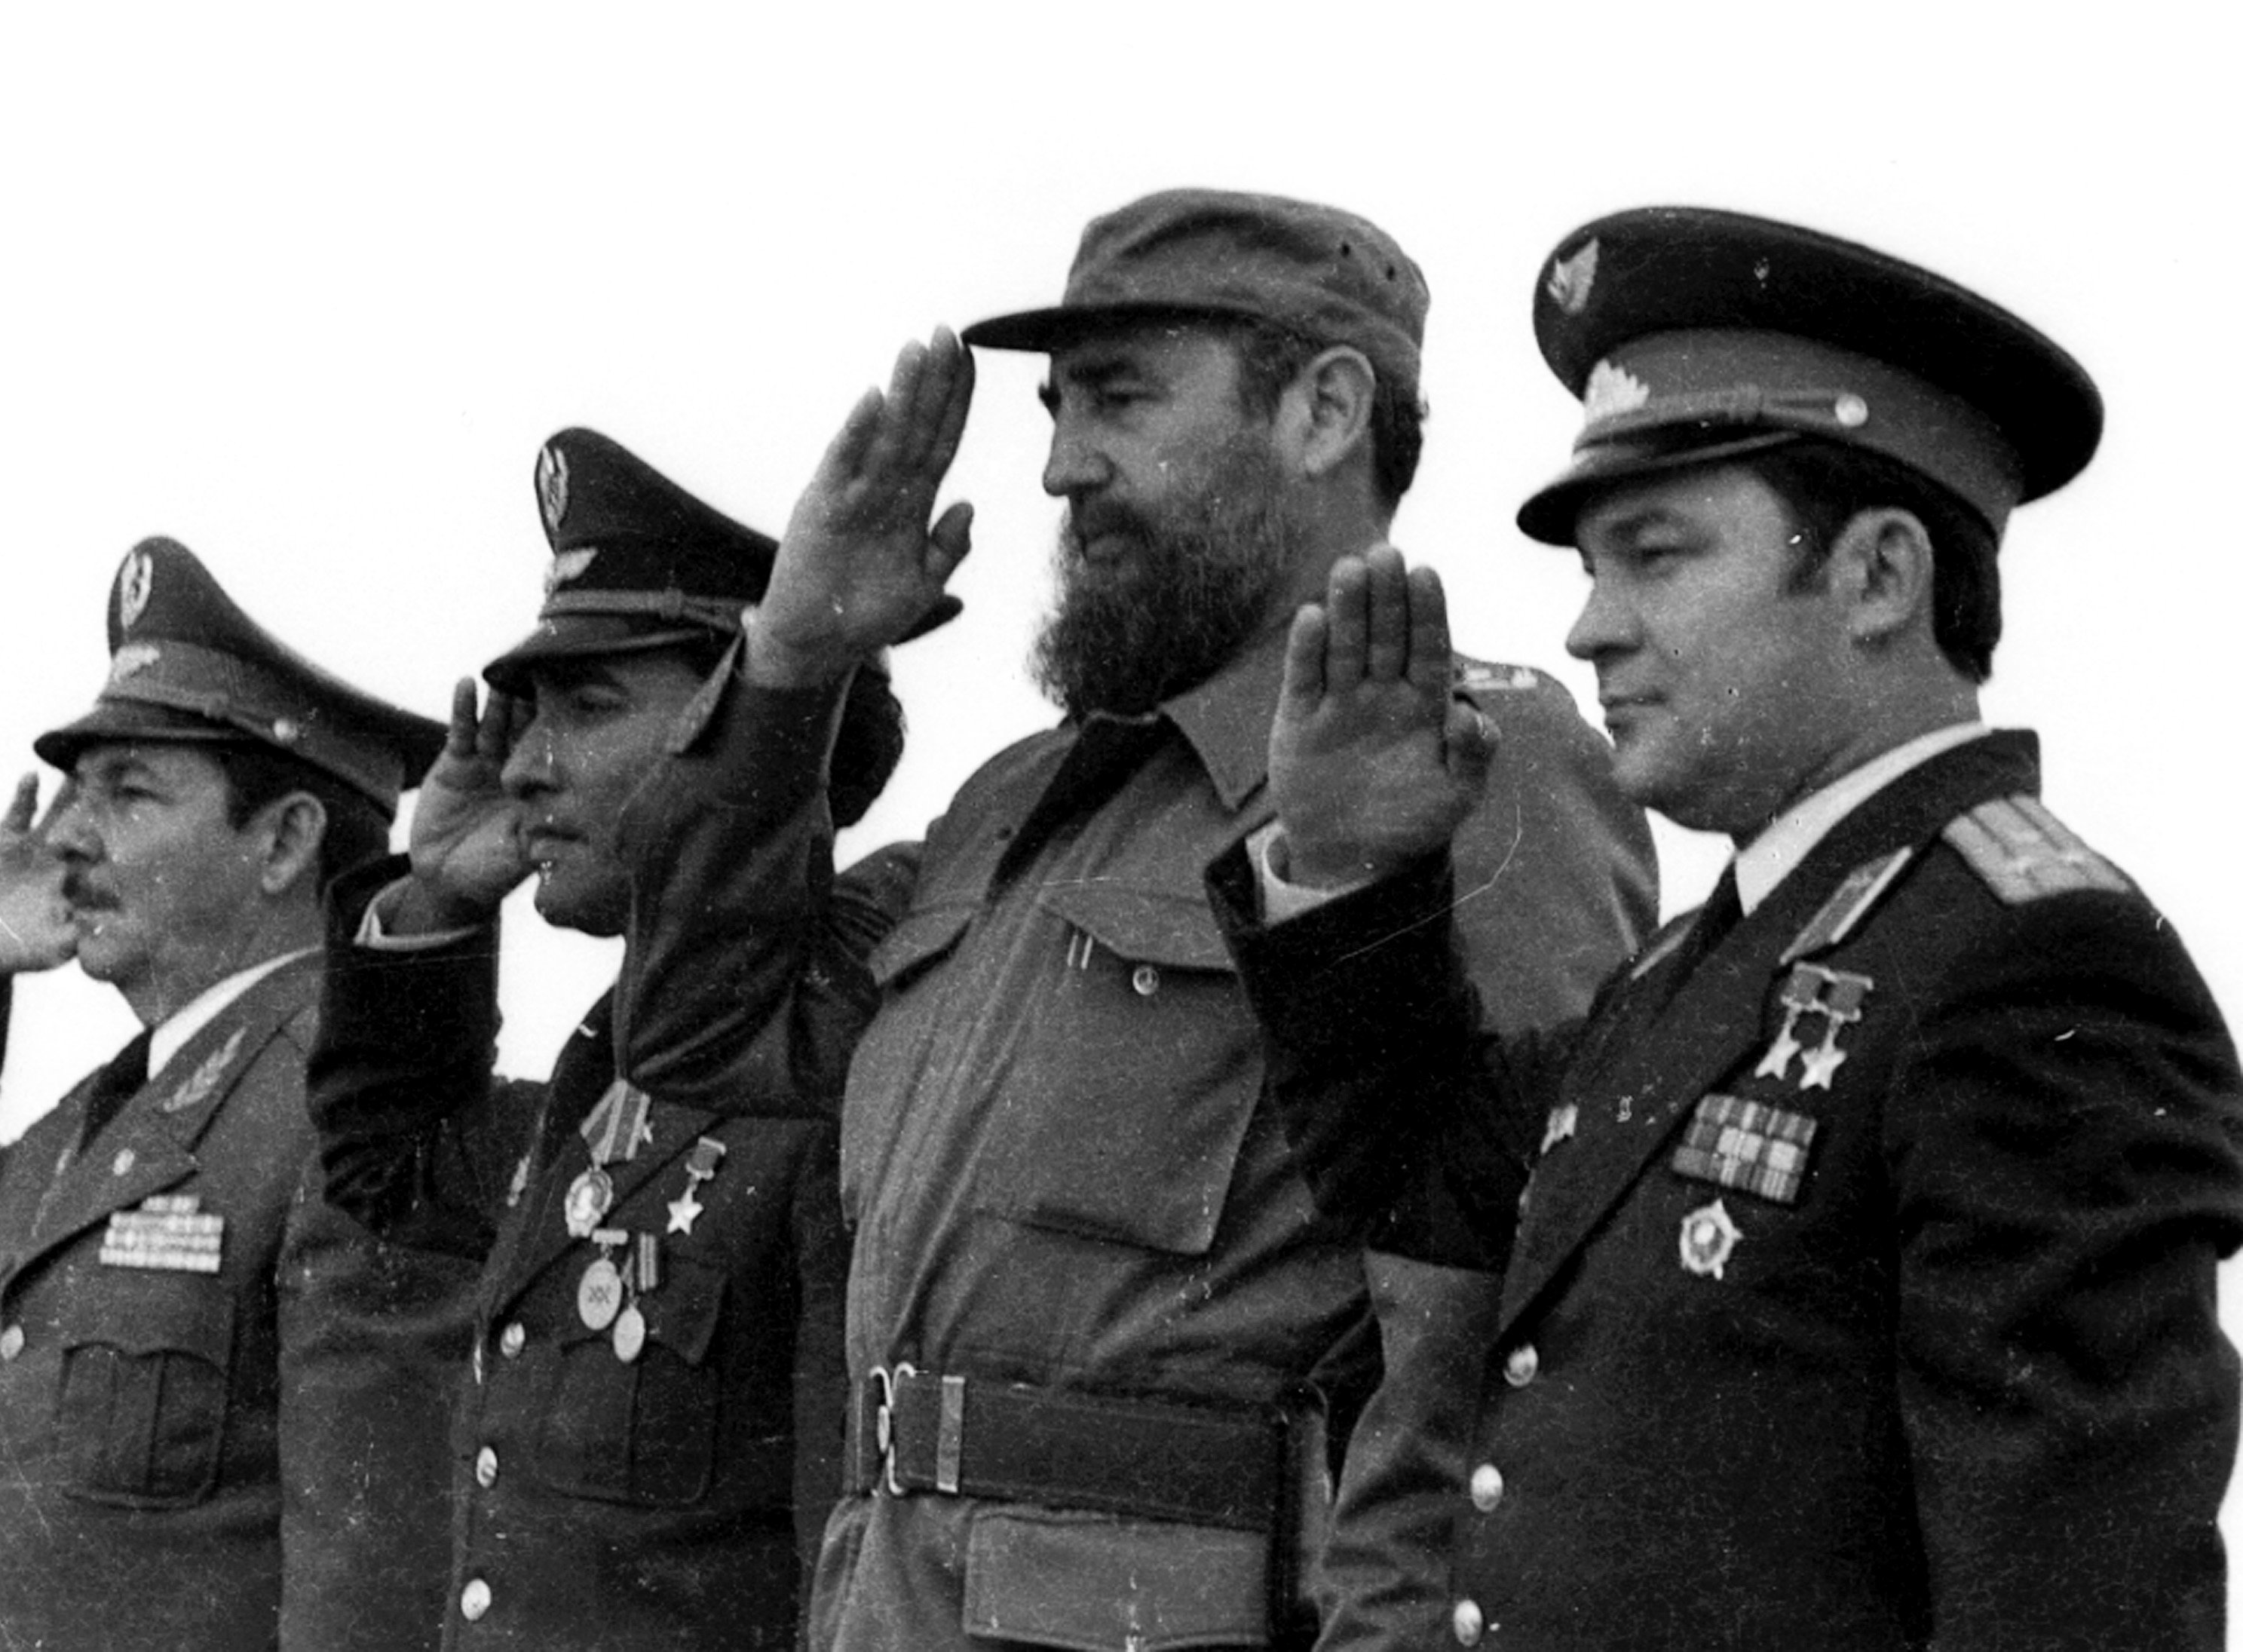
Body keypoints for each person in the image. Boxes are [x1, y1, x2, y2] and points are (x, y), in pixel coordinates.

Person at [600, 190, 1657, 1650]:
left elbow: (1510, 1326)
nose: (1056, 467)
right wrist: (794, 658)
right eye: (1052, 409)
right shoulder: (1015, 807)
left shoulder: (1468, 769)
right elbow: (703, 1034)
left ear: (1324, 412)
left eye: (1119, 399)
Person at [1216, 206, 2243, 1650]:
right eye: (1593, 568)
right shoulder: (1709, 958)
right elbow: (1425, 1178)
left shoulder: (2031, 961)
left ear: (1879, 575)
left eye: (1658, 556)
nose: (1589, 628)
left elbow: (2078, 1605)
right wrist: (1344, 868)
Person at [303, 428, 892, 1648]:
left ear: (750, 736)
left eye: (586, 705)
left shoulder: (844, 1056)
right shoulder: (605, 1071)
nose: (522, 765)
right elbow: (390, 1173)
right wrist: (439, 903)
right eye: (524, 715)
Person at [0, 537, 476, 1652]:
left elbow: (368, 1582)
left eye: (127, 794)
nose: (70, 837)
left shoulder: (346, 1107)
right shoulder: (117, 1113)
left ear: (283, 840)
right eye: (76, 795)